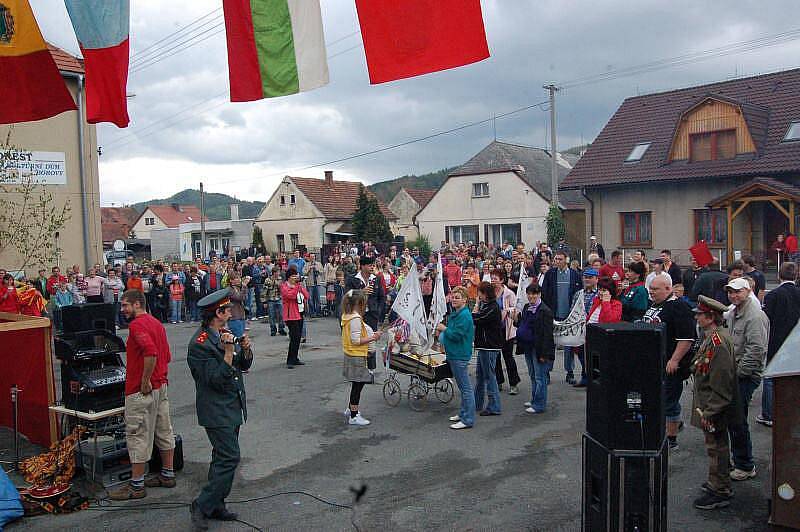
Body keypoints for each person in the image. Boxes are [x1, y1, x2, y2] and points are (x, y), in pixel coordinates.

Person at [187, 288, 253, 529]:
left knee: (222, 458)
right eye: (227, 310)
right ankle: (202, 504)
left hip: (231, 405)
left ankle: (216, 504)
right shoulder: (199, 344)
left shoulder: (222, 333)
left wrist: (244, 348)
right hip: (216, 409)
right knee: (230, 457)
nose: (231, 313)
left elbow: (242, 366)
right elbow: (214, 379)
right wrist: (227, 352)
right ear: (218, 313)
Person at [109, 290, 176, 501]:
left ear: (137, 304)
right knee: (164, 430)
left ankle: (136, 486)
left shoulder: (137, 325)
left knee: (137, 435)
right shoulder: (156, 323)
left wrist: (145, 380)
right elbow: (167, 356)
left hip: (142, 390)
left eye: (125, 305)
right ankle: (167, 474)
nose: (122, 310)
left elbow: (151, 353)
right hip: (160, 386)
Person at [690, 295, 740, 510]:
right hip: (708, 402)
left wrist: (711, 412)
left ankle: (720, 489)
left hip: (713, 405)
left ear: (710, 317)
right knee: (714, 447)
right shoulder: (712, 337)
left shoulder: (717, 342)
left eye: (700, 314)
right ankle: (716, 482)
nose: (697, 318)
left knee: (717, 448)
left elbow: (721, 380)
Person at [641, 275, 696, 451]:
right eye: (650, 289)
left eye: (655, 289)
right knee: (658, 399)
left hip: (670, 365)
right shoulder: (656, 304)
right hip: (653, 363)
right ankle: (675, 424)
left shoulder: (679, 307)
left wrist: (675, 360)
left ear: (667, 288)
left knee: (668, 401)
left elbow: (687, 338)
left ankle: (671, 440)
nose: (651, 292)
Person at [724, 277, 769, 481]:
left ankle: (745, 464)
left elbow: (756, 350)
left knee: (738, 420)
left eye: (737, 292)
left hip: (745, 376)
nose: (733, 295)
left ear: (748, 291)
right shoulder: (734, 312)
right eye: (730, 292)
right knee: (734, 419)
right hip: (736, 373)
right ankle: (739, 458)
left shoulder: (754, 316)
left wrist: (739, 373)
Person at [759, 262, 800, 427]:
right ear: (796, 275)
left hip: (776, 339)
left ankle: (768, 414)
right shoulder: (798, 293)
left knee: (770, 377)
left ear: (779, 276)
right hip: (795, 341)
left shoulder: (773, 295)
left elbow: (765, 320)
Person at [436, 286, 476, 429]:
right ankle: (463, 413)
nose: (453, 299)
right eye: (453, 296)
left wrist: (443, 329)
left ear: (465, 300)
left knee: (466, 388)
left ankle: (467, 419)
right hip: (454, 354)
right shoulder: (457, 313)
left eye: (457, 297)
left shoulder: (464, 315)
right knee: (462, 386)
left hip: (460, 354)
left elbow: (456, 335)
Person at [340, 289, 381, 426]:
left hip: (350, 354)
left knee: (356, 384)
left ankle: (350, 408)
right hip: (356, 355)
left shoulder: (347, 315)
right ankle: (354, 415)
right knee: (358, 385)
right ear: (360, 304)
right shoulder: (355, 319)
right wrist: (372, 337)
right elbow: (356, 340)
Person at [542, 251, 583, 384]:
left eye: (559, 259)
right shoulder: (550, 274)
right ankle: (547, 371)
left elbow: (579, 295)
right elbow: (545, 294)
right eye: (555, 259)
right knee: (550, 344)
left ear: (566, 259)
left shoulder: (575, 275)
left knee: (568, 345)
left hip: (569, 317)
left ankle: (569, 372)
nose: (556, 261)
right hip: (553, 315)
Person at [513, 283, 555, 413]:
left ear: (539, 295)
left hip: (539, 349)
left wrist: (544, 354)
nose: (531, 296)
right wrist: (515, 319)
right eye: (529, 294)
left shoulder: (545, 311)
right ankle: (534, 399)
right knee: (532, 375)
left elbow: (547, 335)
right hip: (528, 346)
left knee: (540, 376)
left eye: (534, 294)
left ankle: (540, 404)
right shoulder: (527, 307)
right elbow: (522, 324)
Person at [472, 281, 504, 416]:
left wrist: (475, 307)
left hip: (489, 346)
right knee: (479, 376)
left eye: (479, 292)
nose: (478, 294)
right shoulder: (487, 306)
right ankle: (476, 403)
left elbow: (477, 318)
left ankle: (494, 406)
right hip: (483, 346)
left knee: (489, 376)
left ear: (484, 293)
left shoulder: (492, 307)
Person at [491, 269, 520, 394]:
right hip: (494, 330)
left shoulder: (509, 293)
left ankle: (514, 384)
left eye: (495, 279)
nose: (493, 281)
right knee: (495, 357)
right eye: (492, 278)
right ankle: (498, 382)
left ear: (502, 280)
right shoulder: (490, 292)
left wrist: (506, 310)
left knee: (508, 357)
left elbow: (515, 308)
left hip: (506, 329)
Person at [344, 256, 385, 330]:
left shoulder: (376, 279)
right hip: (356, 314)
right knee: (358, 338)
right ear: (362, 266)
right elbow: (347, 295)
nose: (372, 267)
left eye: (373, 265)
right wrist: (361, 292)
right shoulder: (352, 279)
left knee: (371, 339)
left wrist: (378, 311)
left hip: (372, 315)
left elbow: (381, 297)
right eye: (370, 265)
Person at [281, 267, 309, 368]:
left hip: (299, 313)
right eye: (294, 276)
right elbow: (291, 296)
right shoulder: (284, 286)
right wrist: (296, 286)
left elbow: (307, 295)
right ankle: (290, 360)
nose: (296, 278)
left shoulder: (297, 286)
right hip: (290, 316)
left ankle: (295, 357)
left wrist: (300, 286)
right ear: (289, 277)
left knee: (298, 338)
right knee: (294, 337)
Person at [261, 268, 287, 336]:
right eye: (277, 272)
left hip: (279, 298)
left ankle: (281, 329)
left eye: (278, 272)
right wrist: (264, 302)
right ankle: (273, 329)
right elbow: (264, 291)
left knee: (281, 315)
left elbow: (283, 289)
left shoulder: (280, 279)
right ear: (273, 273)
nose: (278, 274)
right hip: (270, 300)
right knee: (271, 316)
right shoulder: (268, 280)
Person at [225, 274, 247, 338]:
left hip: (241, 315)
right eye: (236, 278)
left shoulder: (238, 288)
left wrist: (244, 288)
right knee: (239, 337)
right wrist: (244, 287)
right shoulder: (229, 289)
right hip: (233, 316)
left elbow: (244, 298)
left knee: (242, 337)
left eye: (239, 278)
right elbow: (238, 298)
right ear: (231, 280)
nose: (239, 279)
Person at [304, 253, 324, 318]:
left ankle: (318, 312)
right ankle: (312, 312)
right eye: (311, 257)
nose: (312, 258)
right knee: (310, 299)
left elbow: (322, 272)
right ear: (309, 258)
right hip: (310, 284)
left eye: (313, 256)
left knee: (318, 299)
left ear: (315, 257)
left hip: (317, 283)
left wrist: (317, 269)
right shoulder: (306, 264)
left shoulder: (319, 264)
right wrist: (309, 269)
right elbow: (304, 273)